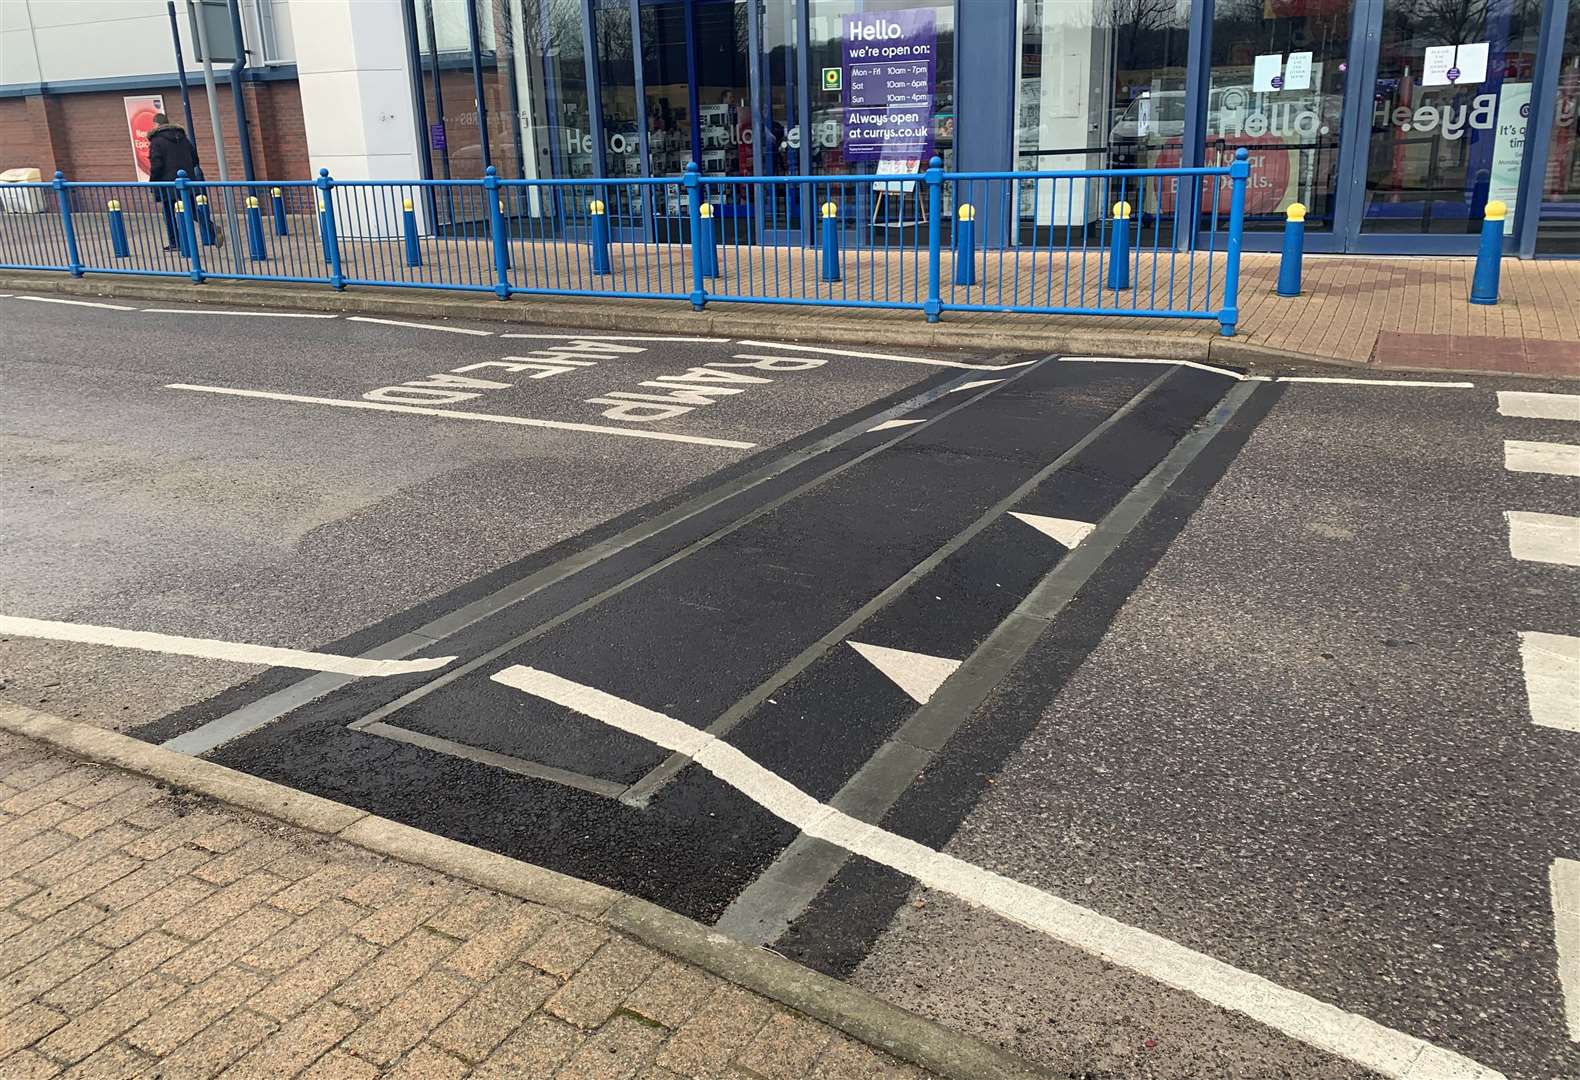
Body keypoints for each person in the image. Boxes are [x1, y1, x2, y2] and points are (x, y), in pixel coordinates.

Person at [146, 114, 200, 251]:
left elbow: (157, 164)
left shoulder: (156, 141)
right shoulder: (183, 138)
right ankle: (210, 229)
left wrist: (153, 182)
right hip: (187, 182)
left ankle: (175, 242)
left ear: (156, 124)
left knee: (169, 214)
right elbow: (195, 159)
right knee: (193, 210)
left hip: (167, 184)